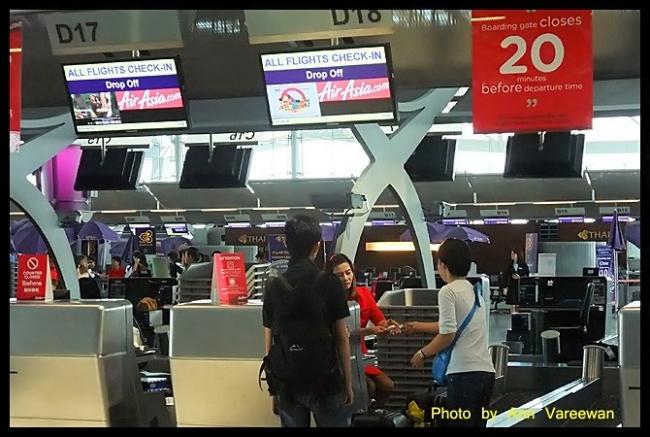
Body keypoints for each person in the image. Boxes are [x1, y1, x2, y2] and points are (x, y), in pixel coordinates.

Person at [262, 215, 353, 427]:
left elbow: (270, 341)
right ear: (317, 246)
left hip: (288, 383)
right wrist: (347, 382)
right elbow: (342, 337)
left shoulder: (273, 286)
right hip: (325, 381)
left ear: (286, 244)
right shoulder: (330, 284)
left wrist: (274, 388)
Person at [406, 239, 495, 427]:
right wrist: (419, 326)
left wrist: (422, 353)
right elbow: (453, 325)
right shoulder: (474, 290)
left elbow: (448, 335)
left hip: (464, 374)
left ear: (443, 265)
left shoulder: (447, 291)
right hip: (486, 373)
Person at [326, 253, 400, 409]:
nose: (346, 278)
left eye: (348, 273)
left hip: (360, 355)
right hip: (337, 357)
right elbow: (339, 334)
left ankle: (371, 414)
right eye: (339, 275)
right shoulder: (327, 300)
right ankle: (360, 415)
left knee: (387, 385)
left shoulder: (364, 294)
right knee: (368, 387)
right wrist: (368, 331)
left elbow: (379, 320)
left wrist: (387, 326)